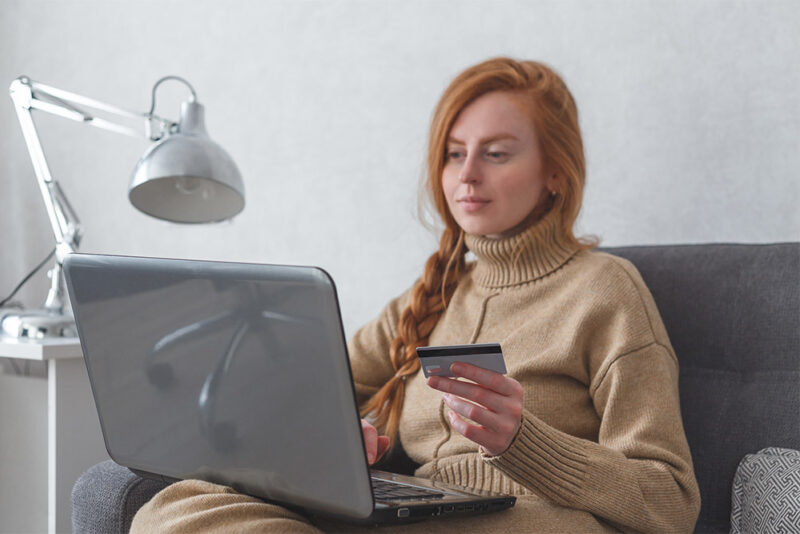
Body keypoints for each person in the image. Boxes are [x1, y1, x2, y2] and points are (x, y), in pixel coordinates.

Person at [131, 57, 701, 533]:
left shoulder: (605, 289)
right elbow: (321, 389)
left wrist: (523, 442)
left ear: (556, 171)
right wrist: (331, 440)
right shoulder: (433, 294)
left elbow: (670, 498)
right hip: (422, 511)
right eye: (455, 153)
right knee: (178, 507)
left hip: (536, 519)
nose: (466, 175)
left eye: (496, 154)